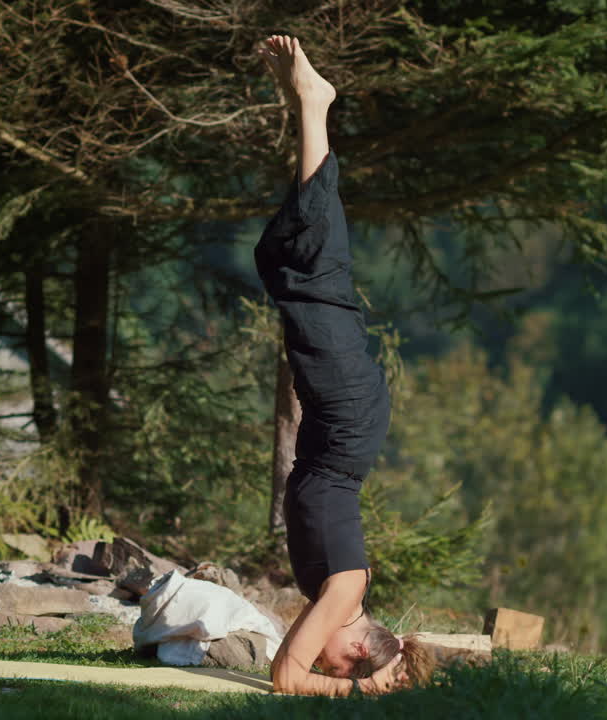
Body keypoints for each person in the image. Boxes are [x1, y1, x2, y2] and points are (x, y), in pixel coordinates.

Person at [255, 34, 432, 697]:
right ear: (357, 645)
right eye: (332, 664)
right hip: (347, 421)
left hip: (342, 426)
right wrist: (364, 690)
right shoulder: (346, 590)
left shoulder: (340, 593)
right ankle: (314, 103)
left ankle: (309, 110)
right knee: (314, 276)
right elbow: (286, 680)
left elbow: (293, 671)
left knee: (286, 265)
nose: (316, 657)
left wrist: (377, 678)